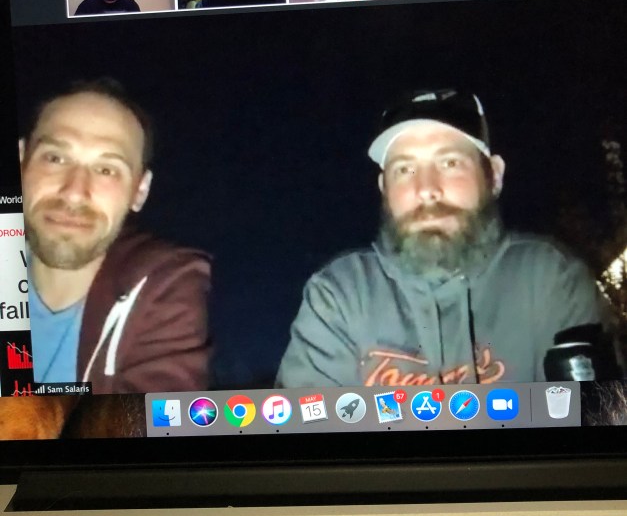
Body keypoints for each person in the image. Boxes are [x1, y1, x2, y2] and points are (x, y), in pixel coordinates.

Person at [277, 89, 616, 387]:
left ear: (494, 176)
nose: (426, 189)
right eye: (405, 169)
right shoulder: (339, 296)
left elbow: (595, 422)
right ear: (383, 189)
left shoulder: (551, 280)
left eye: (450, 163)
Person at [18, 79, 211, 402]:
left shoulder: (163, 283)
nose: (74, 192)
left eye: (106, 170)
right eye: (55, 158)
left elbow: (158, 420)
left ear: (140, 191)